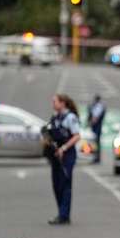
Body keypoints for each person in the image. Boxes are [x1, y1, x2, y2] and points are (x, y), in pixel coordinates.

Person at [45, 93, 81, 225]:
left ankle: (63, 215)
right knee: (56, 184)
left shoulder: (70, 118)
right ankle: (61, 212)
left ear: (63, 103)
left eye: (55, 101)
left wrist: (64, 148)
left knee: (65, 184)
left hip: (67, 153)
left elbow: (77, 136)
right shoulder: (55, 117)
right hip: (55, 153)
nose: (53, 104)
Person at [86, 94, 107, 164]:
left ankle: (96, 157)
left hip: (96, 128)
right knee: (96, 143)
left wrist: (90, 123)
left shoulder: (98, 106)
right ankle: (96, 157)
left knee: (95, 143)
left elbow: (95, 117)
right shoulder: (99, 106)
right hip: (97, 127)